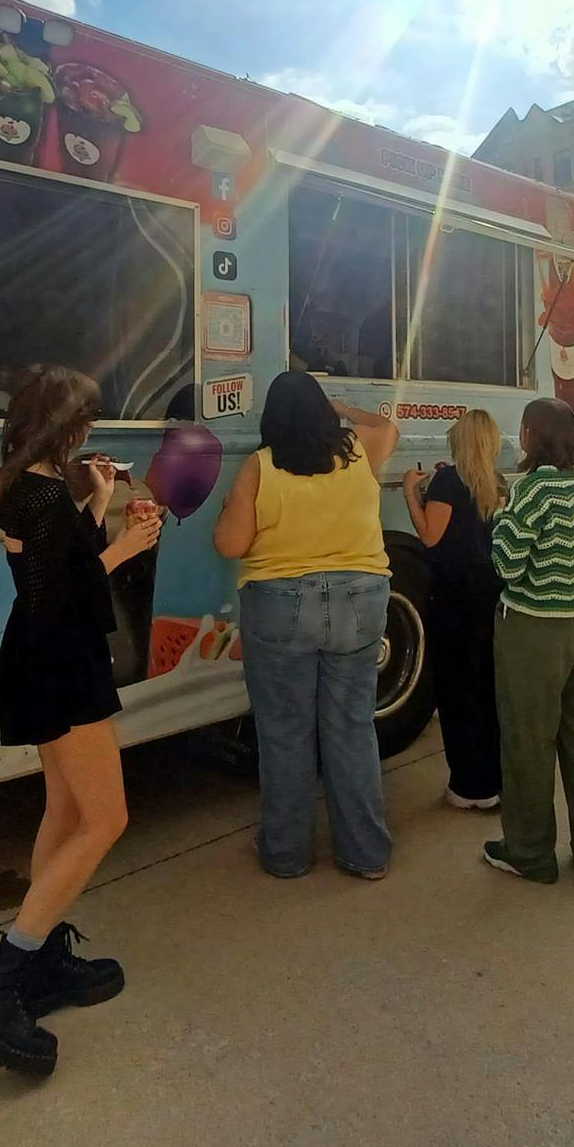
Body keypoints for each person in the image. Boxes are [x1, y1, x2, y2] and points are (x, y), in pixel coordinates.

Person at [0, 364, 163, 1076]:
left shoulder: (29, 488)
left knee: (66, 812)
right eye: (87, 419)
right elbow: (56, 599)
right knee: (106, 820)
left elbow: (54, 571)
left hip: (46, 664)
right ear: (65, 424)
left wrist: (97, 507)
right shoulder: (37, 497)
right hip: (63, 668)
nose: (92, 430)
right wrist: (128, 545)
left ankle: (39, 960)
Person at [214, 372, 401, 879]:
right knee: (351, 727)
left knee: (285, 733)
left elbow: (231, 545)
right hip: (362, 598)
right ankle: (366, 853)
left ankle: (286, 855)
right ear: (323, 412)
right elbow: (390, 426)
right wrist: (345, 409)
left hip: (280, 604)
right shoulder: (359, 451)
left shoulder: (260, 466)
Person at [482, 398, 574, 892]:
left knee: (528, 744)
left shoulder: (530, 491)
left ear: (529, 437)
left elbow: (507, 565)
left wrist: (500, 519)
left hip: (535, 633)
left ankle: (530, 853)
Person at [402, 410, 506, 810]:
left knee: (456, 689)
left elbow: (430, 536)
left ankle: (468, 786)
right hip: (490, 593)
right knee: (486, 687)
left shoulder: (446, 480)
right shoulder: (495, 483)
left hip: (454, 597)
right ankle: (495, 781)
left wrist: (412, 493)